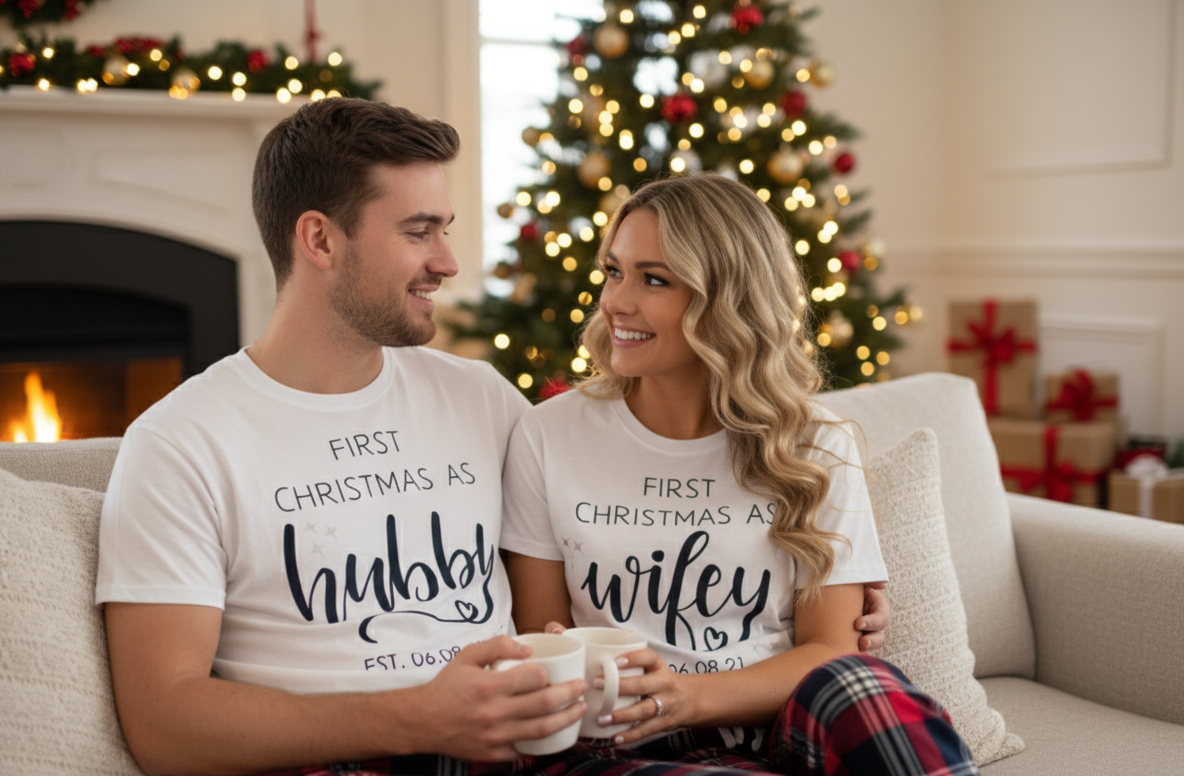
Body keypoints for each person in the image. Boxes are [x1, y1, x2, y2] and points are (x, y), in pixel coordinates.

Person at [95, 98, 889, 776]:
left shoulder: (480, 402)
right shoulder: (181, 443)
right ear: (320, 240)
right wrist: (420, 718)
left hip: (531, 754)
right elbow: (164, 721)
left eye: (444, 228)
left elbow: (604, 534)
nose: (447, 261)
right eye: (418, 231)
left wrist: (831, 605)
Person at [500, 174, 978, 774]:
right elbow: (543, 633)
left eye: (654, 279)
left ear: (727, 298)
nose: (616, 301)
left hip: (778, 723)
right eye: (614, 271)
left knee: (862, 689)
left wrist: (689, 695)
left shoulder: (815, 443)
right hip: (622, 740)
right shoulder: (548, 436)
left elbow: (832, 650)